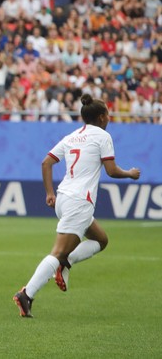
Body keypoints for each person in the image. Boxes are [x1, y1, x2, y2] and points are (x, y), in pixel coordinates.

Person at [13, 95, 140, 318]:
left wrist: (50, 193)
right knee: (58, 252)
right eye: (108, 114)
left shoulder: (72, 136)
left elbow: (46, 162)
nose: (109, 118)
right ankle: (27, 294)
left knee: (101, 240)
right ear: (102, 117)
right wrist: (130, 173)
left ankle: (67, 263)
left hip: (64, 198)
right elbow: (111, 170)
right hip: (79, 201)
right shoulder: (103, 136)